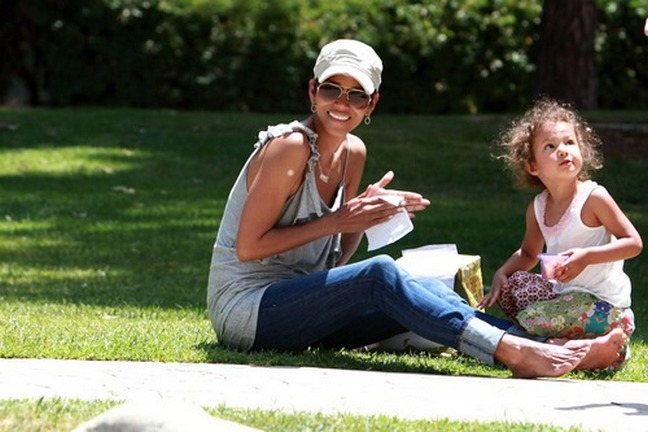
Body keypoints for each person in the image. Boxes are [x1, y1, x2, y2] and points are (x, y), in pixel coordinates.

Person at [207, 39, 623, 378]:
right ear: (312, 91)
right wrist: (340, 218)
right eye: (332, 88)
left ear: (371, 105)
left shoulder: (353, 152)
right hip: (248, 311)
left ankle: (551, 349)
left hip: (307, 308)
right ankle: (513, 350)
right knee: (380, 272)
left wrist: (367, 213)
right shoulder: (290, 147)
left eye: (357, 95)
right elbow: (248, 247)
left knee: (423, 291)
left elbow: (336, 256)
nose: (342, 102)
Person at [479, 98, 643, 370]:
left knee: (534, 317)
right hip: (566, 298)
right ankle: (580, 349)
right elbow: (529, 253)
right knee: (515, 288)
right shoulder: (539, 207)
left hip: (605, 307)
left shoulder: (594, 198)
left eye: (569, 143)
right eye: (550, 147)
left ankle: (586, 342)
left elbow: (634, 243)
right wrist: (501, 274)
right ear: (533, 166)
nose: (564, 151)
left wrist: (586, 257)